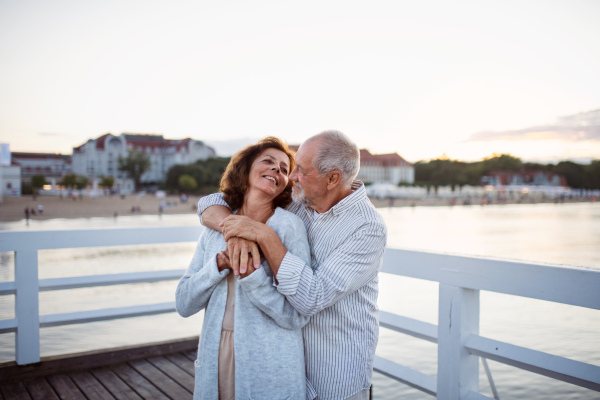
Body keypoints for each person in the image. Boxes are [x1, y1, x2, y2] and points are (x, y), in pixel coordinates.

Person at [197, 130, 387, 400]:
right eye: (294, 167)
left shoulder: (367, 228)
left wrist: (264, 235)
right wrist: (237, 232)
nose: (293, 176)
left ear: (332, 178)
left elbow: (312, 297)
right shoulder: (299, 200)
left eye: (302, 170)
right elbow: (211, 202)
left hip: (334, 374)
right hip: (287, 367)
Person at [176, 137, 312, 399]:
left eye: (284, 169)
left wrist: (254, 278)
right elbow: (183, 303)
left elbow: (297, 316)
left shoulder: (290, 228)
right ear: (246, 169)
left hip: (269, 360)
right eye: (269, 162)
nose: (277, 170)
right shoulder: (216, 229)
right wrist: (217, 265)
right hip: (216, 353)